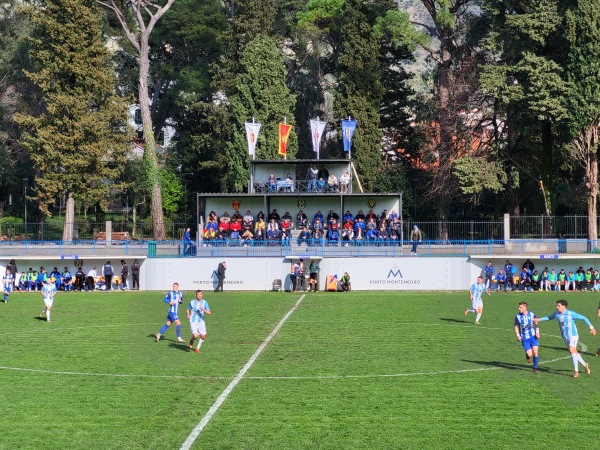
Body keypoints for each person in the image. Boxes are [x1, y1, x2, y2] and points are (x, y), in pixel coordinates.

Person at [534, 299, 596, 378]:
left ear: (564, 306)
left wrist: (591, 328)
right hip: (565, 336)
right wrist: (539, 319)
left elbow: (584, 318)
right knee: (573, 352)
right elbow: (549, 317)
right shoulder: (557, 313)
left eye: (558, 305)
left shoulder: (571, 314)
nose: (557, 307)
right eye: (557, 305)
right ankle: (585, 365)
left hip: (573, 335)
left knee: (571, 349)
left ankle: (576, 371)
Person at [514, 302, 540, 373]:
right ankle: (528, 355)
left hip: (533, 336)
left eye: (520, 307)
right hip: (524, 338)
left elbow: (536, 325)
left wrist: (537, 332)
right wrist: (518, 335)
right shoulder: (518, 316)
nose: (519, 309)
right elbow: (516, 326)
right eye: (519, 307)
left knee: (535, 352)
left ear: (525, 307)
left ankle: (535, 368)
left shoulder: (532, 314)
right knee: (530, 354)